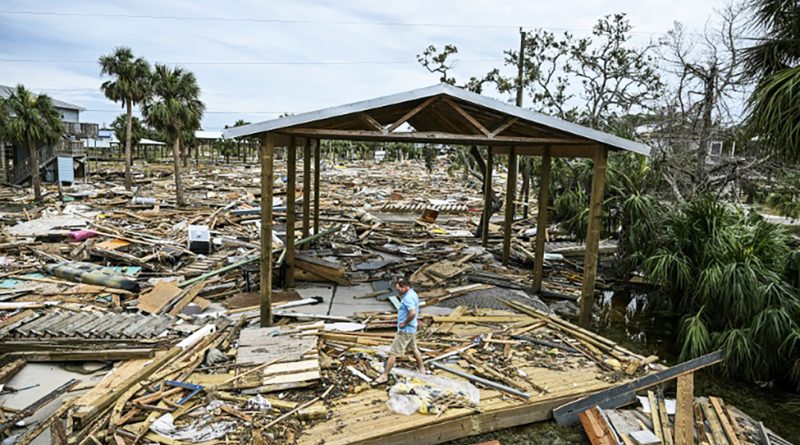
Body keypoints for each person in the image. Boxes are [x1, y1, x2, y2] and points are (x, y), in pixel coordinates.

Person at [373, 278, 425, 384]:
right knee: (414, 348)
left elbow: (412, 313)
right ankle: (422, 369)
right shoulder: (413, 293)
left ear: (405, 287)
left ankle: (385, 375)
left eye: (399, 289)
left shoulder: (408, 298)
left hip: (405, 330)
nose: (398, 291)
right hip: (412, 329)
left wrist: (404, 323)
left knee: (393, 353)